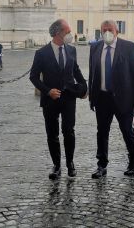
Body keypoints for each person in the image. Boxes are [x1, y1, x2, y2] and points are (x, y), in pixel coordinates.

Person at [88, 20, 134, 178]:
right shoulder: (95, 47)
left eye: (110, 29)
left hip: (123, 98)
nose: (107, 32)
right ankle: (101, 165)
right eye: (104, 29)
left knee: (127, 131)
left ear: (117, 31)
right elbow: (92, 73)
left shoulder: (128, 48)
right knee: (101, 132)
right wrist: (91, 97)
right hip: (102, 98)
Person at [30, 19, 87, 180]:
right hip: (50, 100)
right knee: (52, 133)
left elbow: (76, 71)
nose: (70, 34)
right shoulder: (41, 53)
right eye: (67, 32)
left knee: (69, 131)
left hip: (69, 98)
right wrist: (47, 91)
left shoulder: (72, 50)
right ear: (58, 33)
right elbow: (33, 77)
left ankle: (70, 163)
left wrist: (84, 87)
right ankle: (56, 165)